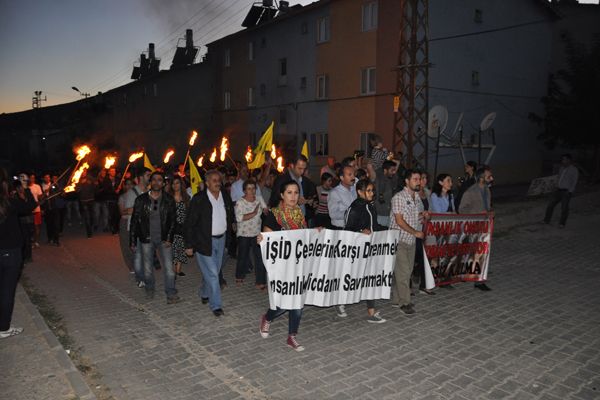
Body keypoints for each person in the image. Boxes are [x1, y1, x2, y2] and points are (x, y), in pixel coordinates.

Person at [259, 180, 307, 351]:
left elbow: (304, 236)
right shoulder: (274, 214)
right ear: (281, 195)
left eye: (296, 192)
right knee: (282, 304)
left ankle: (291, 336)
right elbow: (267, 237)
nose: (293, 196)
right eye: (289, 192)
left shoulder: (300, 214)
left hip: (297, 264)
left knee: (297, 301)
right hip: (281, 266)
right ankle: (268, 317)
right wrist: (263, 238)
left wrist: (316, 233)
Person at [184, 170, 235, 317]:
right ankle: (216, 306)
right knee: (213, 274)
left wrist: (232, 227)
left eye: (219, 180)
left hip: (222, 239)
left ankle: (204, 292)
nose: (217, 182)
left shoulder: (224, 196)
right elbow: (189, 223)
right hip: (204, 241)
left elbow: (229, 213)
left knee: (214, 271)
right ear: (207, 183)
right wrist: (188, 245)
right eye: (214, 180)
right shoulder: (199, 199)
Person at [130, 171, 180, 303]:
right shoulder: (141, 200)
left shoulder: (169, 200)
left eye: (159, 180)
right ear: (150, 182)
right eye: (153, 180)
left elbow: (173, 221)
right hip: (146, 239)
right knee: (147, 269)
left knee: (169, 269)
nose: (156, 182)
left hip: (164, 240)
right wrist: (132, 241)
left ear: (163, 183)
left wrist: (169, 238)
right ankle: (150, 289)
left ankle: (171, 293)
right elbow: (134, 221)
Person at [343, 179, 387, 323]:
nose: (372, 193)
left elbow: (373, 226)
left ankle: (371, 312)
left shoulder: (370, 206)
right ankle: (340, 301)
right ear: (360, 192)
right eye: (369, 190)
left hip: (370, 248)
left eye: (372, 190)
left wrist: (387, 231)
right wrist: (361, 231)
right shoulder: (355, 208)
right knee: (354, 278)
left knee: (369, 279)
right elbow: (348, 229)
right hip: (358, 250)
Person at [0, 168, 36, 339]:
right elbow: (30, 206)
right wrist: (26, 188)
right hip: (10, 253)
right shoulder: (8, 202)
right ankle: (3, 328)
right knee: (7, 291)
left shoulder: (8, 202)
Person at [389, 169, 426, 315]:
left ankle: (397, 299)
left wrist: (422, 215)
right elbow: (399, 220)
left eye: (419, 179)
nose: (418, 182)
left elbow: (413, 216)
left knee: (406, 271)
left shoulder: (416, 197)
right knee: (404, 271)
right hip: (399, 238)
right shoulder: (399, 197)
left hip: (410, 239)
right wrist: (416, 232)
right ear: (407, 181)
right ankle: (405, 302)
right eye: (415, 179)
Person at [459, 166, 494, 291]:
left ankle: (479, 280)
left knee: (481, 253)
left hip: (484, 226)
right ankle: (465, 273)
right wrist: (478, 213)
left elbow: (487, 207)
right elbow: (462, 210)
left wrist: (489, 213)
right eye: (489, 176)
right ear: (481, 178)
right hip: (473, 226)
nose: (492, 178)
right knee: (470, 253)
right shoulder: (470, 192)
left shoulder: (487, 190)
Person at [234, 180, 267, 287]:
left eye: (253, 188)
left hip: (257, 233)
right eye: (249, 189)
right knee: (242, 256)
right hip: (244, 234)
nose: (252, 191)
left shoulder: (259, 199)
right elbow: (239, 218)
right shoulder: (240, 202)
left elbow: (266, 210)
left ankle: (260, 281)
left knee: (259, 257)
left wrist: (267, 209)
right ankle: (239, 276)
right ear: (244, 190)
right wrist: (254, 213)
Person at [121, 168, 150, 286]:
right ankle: (140, 279)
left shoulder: (150, 191)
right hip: (136, 228)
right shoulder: (131, 193)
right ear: (141, 177)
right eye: (148, 175)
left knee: (147, 254)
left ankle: (146, 276)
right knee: (138, 255)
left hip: (148, 227)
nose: (150, 177)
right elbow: (127, 211)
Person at [269, 155, 317, 226]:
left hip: (303, 220)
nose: (302, 171)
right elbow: (273, 201)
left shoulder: (306, 181)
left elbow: (311, 197)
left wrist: (310, 202)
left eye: (304, 169)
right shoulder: (282, 180)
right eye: (300, 168)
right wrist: (295, 201)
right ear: (292, 166)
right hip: (286, 221)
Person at [544, 154, 578, 228]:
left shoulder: (574, 170)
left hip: (566, 192)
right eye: (562, 159)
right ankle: (546, 220)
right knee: (550, 205)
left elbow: (574, 182)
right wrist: (555, 186)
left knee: (564, 208)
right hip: (558, 191)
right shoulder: (561, 168)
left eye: (565, 159)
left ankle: (562, 223)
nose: (563, 161)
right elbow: (559, 178)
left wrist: (570, 191)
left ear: (569, 160)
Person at [415, 171, 434, 295]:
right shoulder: (413, 194)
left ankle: (423, 285)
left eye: (426, 178)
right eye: (422, 178)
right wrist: (421, 216)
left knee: (424, 257)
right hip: (415, 229)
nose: (424, 181)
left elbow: (431, 210)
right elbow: (408, 214)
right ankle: (410, 284)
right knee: (415, 258)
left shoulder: (427, 193)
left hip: (426, 229)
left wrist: (428, 216)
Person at [171, 176, 190, 277]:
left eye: (177, 183)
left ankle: (178, 269)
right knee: (173, 248)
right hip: (172, 226)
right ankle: (173, 270)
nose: (175, 185)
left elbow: (189, 212)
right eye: (173, 183)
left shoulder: (186, 197)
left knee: (181, 247)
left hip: (183, 226)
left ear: (181, 184)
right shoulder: (168, 197)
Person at [118, 178, 135, 275]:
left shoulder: (137, 195)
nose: (129, 186)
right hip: (125, 222)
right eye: (127, 184)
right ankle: (131, 265)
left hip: (135, 222)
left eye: (131, 184)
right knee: (126, 245)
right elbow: (122, 212)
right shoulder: (122, 197)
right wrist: (129, 210)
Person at [77, 174, 96, 238]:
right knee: (87, 217)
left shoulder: (90, 178)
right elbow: (77, 190)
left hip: (91, 200)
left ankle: (91, 226)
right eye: (83, 171)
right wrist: (81, 184)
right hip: (83, 201)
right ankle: (89, 233)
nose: (84, 172)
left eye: (85, 171)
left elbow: (95, 187)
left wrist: (93, 183)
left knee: (92, 216)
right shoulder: (77, 178)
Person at [28, 174, 43, 248]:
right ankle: (30, 241)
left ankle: (35, 241)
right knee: (30, 227)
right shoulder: (25, 187)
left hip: (37, 209)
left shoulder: (37, 186)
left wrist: (43, 194)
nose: (32, 179)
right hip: (28, 210)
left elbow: (40, 197)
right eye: (31, 178)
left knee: (36, 227)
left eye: (33, 178)